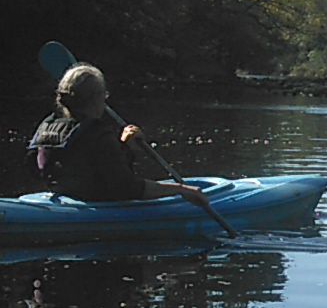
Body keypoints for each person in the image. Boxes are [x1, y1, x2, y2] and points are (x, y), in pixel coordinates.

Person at [26, 63, 209, 206]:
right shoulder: (99, 136)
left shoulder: (47, 128)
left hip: (64, 199)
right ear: (97, 98)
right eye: (104, 94)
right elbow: (127, 188)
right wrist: (182, 190)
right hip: (94, 205)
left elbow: (84, 162)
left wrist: (124, 145)